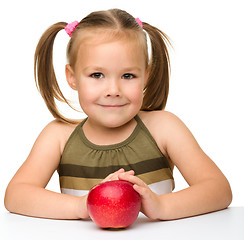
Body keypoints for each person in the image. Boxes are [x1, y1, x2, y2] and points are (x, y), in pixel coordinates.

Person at [4, 9, 232, 220]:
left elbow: (219, 190)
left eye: (128, 76)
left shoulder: (164, 128)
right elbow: (15, 196)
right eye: (96, 75)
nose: (113, 91)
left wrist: (162, 206)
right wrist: (80, 206)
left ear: (146, 76)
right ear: (72, 77)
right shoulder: (58, 137)